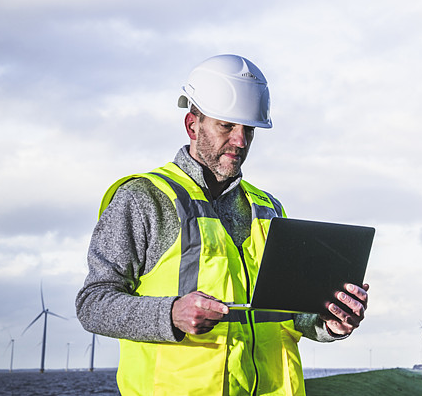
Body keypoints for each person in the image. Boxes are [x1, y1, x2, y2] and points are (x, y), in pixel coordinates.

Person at [76, 54, 369, 396]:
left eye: (248, 130)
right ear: (192, 125)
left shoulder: (268, 209)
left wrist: (328, 322)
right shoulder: (143, 199)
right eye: (227, 126)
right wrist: (171, 313)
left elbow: (286, 315)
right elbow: (93, 304)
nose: (240, 141)